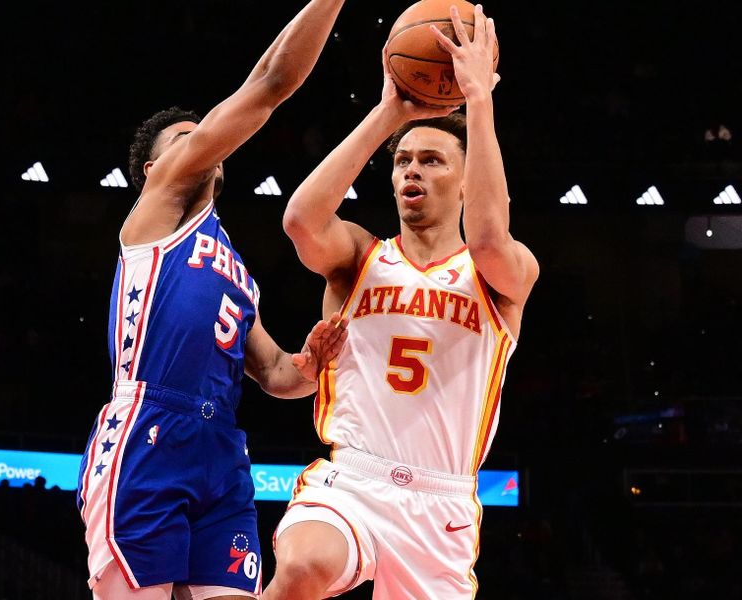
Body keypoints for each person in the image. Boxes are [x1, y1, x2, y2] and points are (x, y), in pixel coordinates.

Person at [263, 5, 539, 599]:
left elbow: (489, 235)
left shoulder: (502, 273)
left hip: (441, 506)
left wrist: (478, 99)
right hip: (353, 480)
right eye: (402, 161)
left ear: (467, 180)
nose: (411, 170)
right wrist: (390, 112)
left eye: (432, 160)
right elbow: (300, 220)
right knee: (302, 567)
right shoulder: (360, 256)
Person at [75, 1, 348, 598]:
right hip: (149, 429)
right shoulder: (159, 211)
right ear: (154, 168)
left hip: (221, 447)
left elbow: (276, 373)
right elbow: (271, 85)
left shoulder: (238, 270)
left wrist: (309, 364)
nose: (204, 142)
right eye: (186, 139)